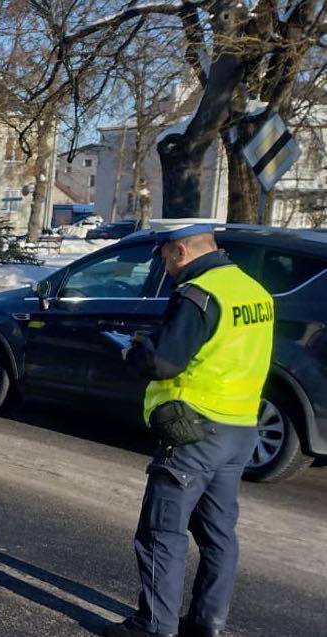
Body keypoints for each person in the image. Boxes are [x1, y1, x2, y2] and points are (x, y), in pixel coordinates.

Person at [104, 220, 274, 637]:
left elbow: (166, 363)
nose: (164, 263)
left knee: (162, 532)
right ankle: (206, 623)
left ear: (179, 251)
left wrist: (135, 354)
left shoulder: (197, 293)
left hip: (193, 430)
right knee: (218, 534)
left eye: (164, 254)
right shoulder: (253, 291)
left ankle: (154, 626)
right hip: (240, 429)